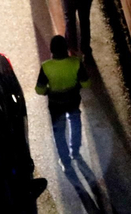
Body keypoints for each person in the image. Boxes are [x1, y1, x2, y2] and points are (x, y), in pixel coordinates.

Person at [36, 35, 90, 166]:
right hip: (73, 101)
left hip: (55, 104)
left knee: (59, 131)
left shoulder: (46, 66)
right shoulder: (76, 62)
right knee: (75, 124)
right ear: (66, 49)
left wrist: (48, 91)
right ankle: (75, 152)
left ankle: (65, 160)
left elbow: (39, 90)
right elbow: (86, 83)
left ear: (51, 50)